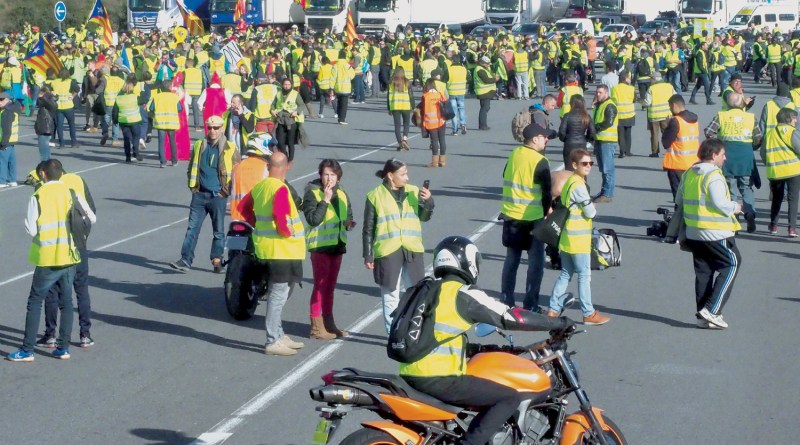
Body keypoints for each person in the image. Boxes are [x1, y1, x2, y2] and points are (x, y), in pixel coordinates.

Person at [399, 236, 575, 445]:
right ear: (467, 261)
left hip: (410, 374)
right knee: (509, 397)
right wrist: (558, 323)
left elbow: (437, 338)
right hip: (439, 378)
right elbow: (511, 317)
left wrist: (484, 349)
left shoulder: (428, 291)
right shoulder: (461, 294)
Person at [8, 159, 96, 362]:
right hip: (69, 254)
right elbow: (90, 217)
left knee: (35, 301)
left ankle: (27, 349)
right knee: (67, 302)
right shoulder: (71, 192)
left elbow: (31, 228)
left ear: (43, 174)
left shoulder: (38, 195)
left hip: (48, 256)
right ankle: (63, 347)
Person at [240, 151, 307, 356]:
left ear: (269, 166)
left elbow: (243, 208)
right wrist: (287, 231)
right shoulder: (280, 188)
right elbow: (280, 216)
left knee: (281, 293)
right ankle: (272, 339)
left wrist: (258, 225)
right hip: (282, 250)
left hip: (266, 247)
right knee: (278, 296)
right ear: (287, 166)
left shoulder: (260, 187)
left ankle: (278, 333)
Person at [675, 139, 743, 329]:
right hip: (715, 232)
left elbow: (679, 199)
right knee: (732, 262)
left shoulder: (690, 173)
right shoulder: (713, 175)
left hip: (693, 232)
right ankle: (712, 310)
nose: (725, 158)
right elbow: (720, 203)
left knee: (703, 272)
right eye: (722, 154)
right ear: (713, 156)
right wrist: (736, 207)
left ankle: (702, 317)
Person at [364, 159, 434, 333]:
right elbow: (368, 228)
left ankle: (415, 332)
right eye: (402, 174)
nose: (407, 178)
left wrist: (429, 202)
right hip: (388, 251)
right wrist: (368, 254)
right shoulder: (375, 195)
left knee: (417, 294)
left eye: (406, 173)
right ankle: (392, 334)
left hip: (412, 249)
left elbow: (424, 217)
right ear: (390, 175)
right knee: (390, 295)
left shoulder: (413, 191)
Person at [36, 164, 98, 349]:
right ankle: (85, 334)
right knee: (81, 289)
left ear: (44, 174)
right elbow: (92, 213)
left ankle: (51, 335)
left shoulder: (44, 190)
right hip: (78, 244)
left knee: (53, 291)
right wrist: (83, 234)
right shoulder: (76, 182)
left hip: (55, 248)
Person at [170, 115, 241, 274]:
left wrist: (225, 191)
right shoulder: (199, 145)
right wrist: (193, 186)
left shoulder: (230, 147)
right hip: (199, 195)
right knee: (192, 229)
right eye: (210, 128)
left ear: (222, 129)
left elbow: (237, 171)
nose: (213, 131)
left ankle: (217, 260)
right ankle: (185, 260)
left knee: (218, 230)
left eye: (216, 128)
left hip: (218, 197)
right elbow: (191, 167)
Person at [546, 149, 609, 325]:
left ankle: (553, 309)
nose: (588, 166)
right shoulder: (579, 186)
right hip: (578, 239)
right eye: (584, 163)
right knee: (584, 275)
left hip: (567, 237)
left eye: (590, 163)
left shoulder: (569, 182)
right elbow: (591, 212)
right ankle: (588, 312)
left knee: (565, 274)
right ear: (574, 165)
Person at [499, 124, 554, 311]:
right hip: (532, 217)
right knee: (535, 264)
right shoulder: (540, 161)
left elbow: (505, 174)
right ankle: (530, 304)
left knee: (511, 261)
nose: (547, 140)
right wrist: (548, 210)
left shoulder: (515, 154)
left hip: (511, 214)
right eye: (544, 137)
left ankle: (506, 301)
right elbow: (546, 192)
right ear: (535, 139)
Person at [303, 159, 355, 339]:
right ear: (320, 176)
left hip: (337, 245)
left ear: (338, 177)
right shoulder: (312, 193)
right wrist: (324, 200)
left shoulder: (342, 194)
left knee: (330, 287)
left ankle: (328, 322)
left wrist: (349, 223)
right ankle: (316, 327)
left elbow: (348, 215)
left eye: (333, 175)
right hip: (320, 246)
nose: (329, 178)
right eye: (326, 174)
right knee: (320, 285)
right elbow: (313, 220)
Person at [704, 92, 762, 233]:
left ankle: (734, 218)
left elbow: (709, 132)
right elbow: (758, 137)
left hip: (727, 156)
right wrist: (752, 146)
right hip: (745, 156)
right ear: (742, 103)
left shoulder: (721, 116)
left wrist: (719, 143)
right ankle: (750, 213)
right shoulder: (750, 117)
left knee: (730, 189)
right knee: (746, 187)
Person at [761, 108, 800, 237]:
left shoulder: (769, 134)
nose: (796, 120)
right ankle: (792, 228)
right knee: (793, 199)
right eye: (794, 117)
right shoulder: (792, 132)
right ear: (788, 118)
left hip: (775, 171)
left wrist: (769, 162)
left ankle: (773, 225)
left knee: (776, 199)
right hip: (793, 170)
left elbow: (763, 153)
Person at [662, 94, 700, 199]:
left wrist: (666, 126)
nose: (670, 110)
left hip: (677, 164)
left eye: (670, 107)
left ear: (674, 105)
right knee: (690, 194)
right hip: (692, 163)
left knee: (678, 197)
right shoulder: (694, 119)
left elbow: (666, 143)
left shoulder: (676, 121)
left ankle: (679, 215)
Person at [230, 133, 272, 222]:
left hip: (237, 216)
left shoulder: (237, 166)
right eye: (269, 145)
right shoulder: (266, 167)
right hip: (257, 216)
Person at [148, 80, 183, 167]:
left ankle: (162, 162)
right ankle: (174, 160)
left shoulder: (157, 97)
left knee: (161, 142)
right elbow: (180, 108)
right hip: (171, 122)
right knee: (172, 142)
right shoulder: (174, 97)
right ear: (170, 87)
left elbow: (151, 108)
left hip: (160, 122)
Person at [592, 85, 618, 203]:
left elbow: (608, 122)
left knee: (608, 169)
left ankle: (607, 194)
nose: (598, 94)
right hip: (600, 139)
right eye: (597, 92)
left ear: (606, 93)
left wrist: (595, 128)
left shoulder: (610, 105)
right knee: (603, 169)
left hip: (607, 141)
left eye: (600, 92)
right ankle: (604, 191)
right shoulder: (600, 105)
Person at [643, 71, 676, 157]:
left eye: (651, 78)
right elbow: (675, 97)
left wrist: (640, 101)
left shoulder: (651, 88)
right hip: (667, 115)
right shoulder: (669, 86)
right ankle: (669, 150)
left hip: (654, 116)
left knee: (654, 135)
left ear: (654, 79)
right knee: (667, 134)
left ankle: (655, 152)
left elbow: (647, 102)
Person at [558, 94, 595, 169]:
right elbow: (592, 132)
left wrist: (565, 139)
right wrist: (586, 138)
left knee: (569, 169)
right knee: (582, 169)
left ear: (571, 104)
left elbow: (561, 132)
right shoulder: (586, 116)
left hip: (569, 144)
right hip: (582, 144)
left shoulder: (567, 116)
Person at [272, 78, 305, 161]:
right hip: (280, 119)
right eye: (285, 84)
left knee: (290, 142)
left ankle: (290, 160)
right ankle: (285, 156)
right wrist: (272, 110)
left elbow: (301, 105)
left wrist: (296, 112)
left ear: (291, 85)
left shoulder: (295, 94)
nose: (287, 86)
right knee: (280, 142)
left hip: (291, 120)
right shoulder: (279, 93)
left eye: (288, 85)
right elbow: (273, 104)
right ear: (282, 85)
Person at [112, 78, 144, 163]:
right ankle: (136, 151)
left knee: (126, 139)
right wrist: (143, 92)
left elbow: (115, 111)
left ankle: (127, 157)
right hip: (134, 120)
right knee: (136, 137)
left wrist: (115, 121)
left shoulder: (118, 98)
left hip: (123, 121)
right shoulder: (135, 97)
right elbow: (144, 101)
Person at [49, 68, 80, 149]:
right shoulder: (70, 82)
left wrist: (53, 93)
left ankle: (61, 143)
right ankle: (73, 142)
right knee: (71, 125)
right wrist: (73, 96)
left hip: (59, 106)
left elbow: (50, 90)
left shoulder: (54, 82)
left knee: (59, 125)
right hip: (68, 106)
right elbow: (77, 89)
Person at [420, 79, 447, 168]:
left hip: (431, 122)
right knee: (442, 140)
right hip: (441, 120)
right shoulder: (440, 94)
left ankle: (434, 162)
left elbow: (422, 110)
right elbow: (446, 103)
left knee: (434, 141)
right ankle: (442, 161)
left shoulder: (425, 96)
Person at [388, 66, 414, 151]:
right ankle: (405, 139)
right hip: (406, 105)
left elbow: (389, 96)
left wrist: (389, 108)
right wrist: (413, 106)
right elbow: (411, 95)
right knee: (406, 123)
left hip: (395, 106)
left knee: (397, 126)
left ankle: (400, 143)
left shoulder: (392, 82)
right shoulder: (407, 82)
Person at [611, 71, 635, 159]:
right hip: (630, 114)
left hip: (619, 114)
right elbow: (634, 99)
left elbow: (613, 101)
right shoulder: (631, 88)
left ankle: (622, 151)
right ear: (625, 79)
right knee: (628, 133)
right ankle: (627, 151)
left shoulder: (614, 88)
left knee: (620, 134)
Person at [0, 91, 21, 188]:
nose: (0, 102)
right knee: (11, 161)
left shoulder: (6, 112)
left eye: (2, 100)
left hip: (5, 141)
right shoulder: (14, 108)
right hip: (12, 140)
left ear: (7, 100)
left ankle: (2, 181)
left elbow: (6, 129)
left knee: (2, 161)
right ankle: (12, 180)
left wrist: (3, 143)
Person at [474, 56, 498, 130]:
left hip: (485, 91)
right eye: (487, 64)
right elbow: (486, 80)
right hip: (483, 92)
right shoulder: (480, 70)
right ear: (483, 63)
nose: (488, 65)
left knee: (485, 108)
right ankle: (482, 125)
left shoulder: (483, 68)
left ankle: (483, 125)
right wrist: (495, 79)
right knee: (484, 108)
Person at [34, 87, 57, 162]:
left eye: (40, 93)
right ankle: (48, 165)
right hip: (45, 128)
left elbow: (52, 106)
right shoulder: (47, 102)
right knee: (45, 150)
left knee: (44, 152)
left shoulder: (48, 102)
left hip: (45, 128)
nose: (38, 95)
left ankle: (46, 167)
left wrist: (43, 97)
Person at [446, 57, 468, 136]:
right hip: (461, 91)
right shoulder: (463, 69)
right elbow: (469, 78)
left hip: (451, 92)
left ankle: (455, 130)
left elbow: (444, 79)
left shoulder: (449, 69)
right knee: (461, 108)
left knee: (454, 111)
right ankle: (463, 124)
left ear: (452, 61)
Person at [332, 50, 354, 125]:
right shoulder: (347, 66)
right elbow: (352, 76)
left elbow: (333, 77)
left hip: (337, 87)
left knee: (339, 102)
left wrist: (331, 87)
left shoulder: (335, 66)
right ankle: (342, 119)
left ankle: (339, 116)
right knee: (344, 104)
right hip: (346, 87)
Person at [689, 41, 713, 105]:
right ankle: (708, 100)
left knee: (698, 85)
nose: (707, 46)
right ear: (702, 46)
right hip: (701, 72)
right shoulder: (699, 53)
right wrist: (705, 72)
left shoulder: (702, 52)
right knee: (707, 86)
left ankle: (692, 98)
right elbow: (700, 64)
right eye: (706, 45)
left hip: (701, 72)